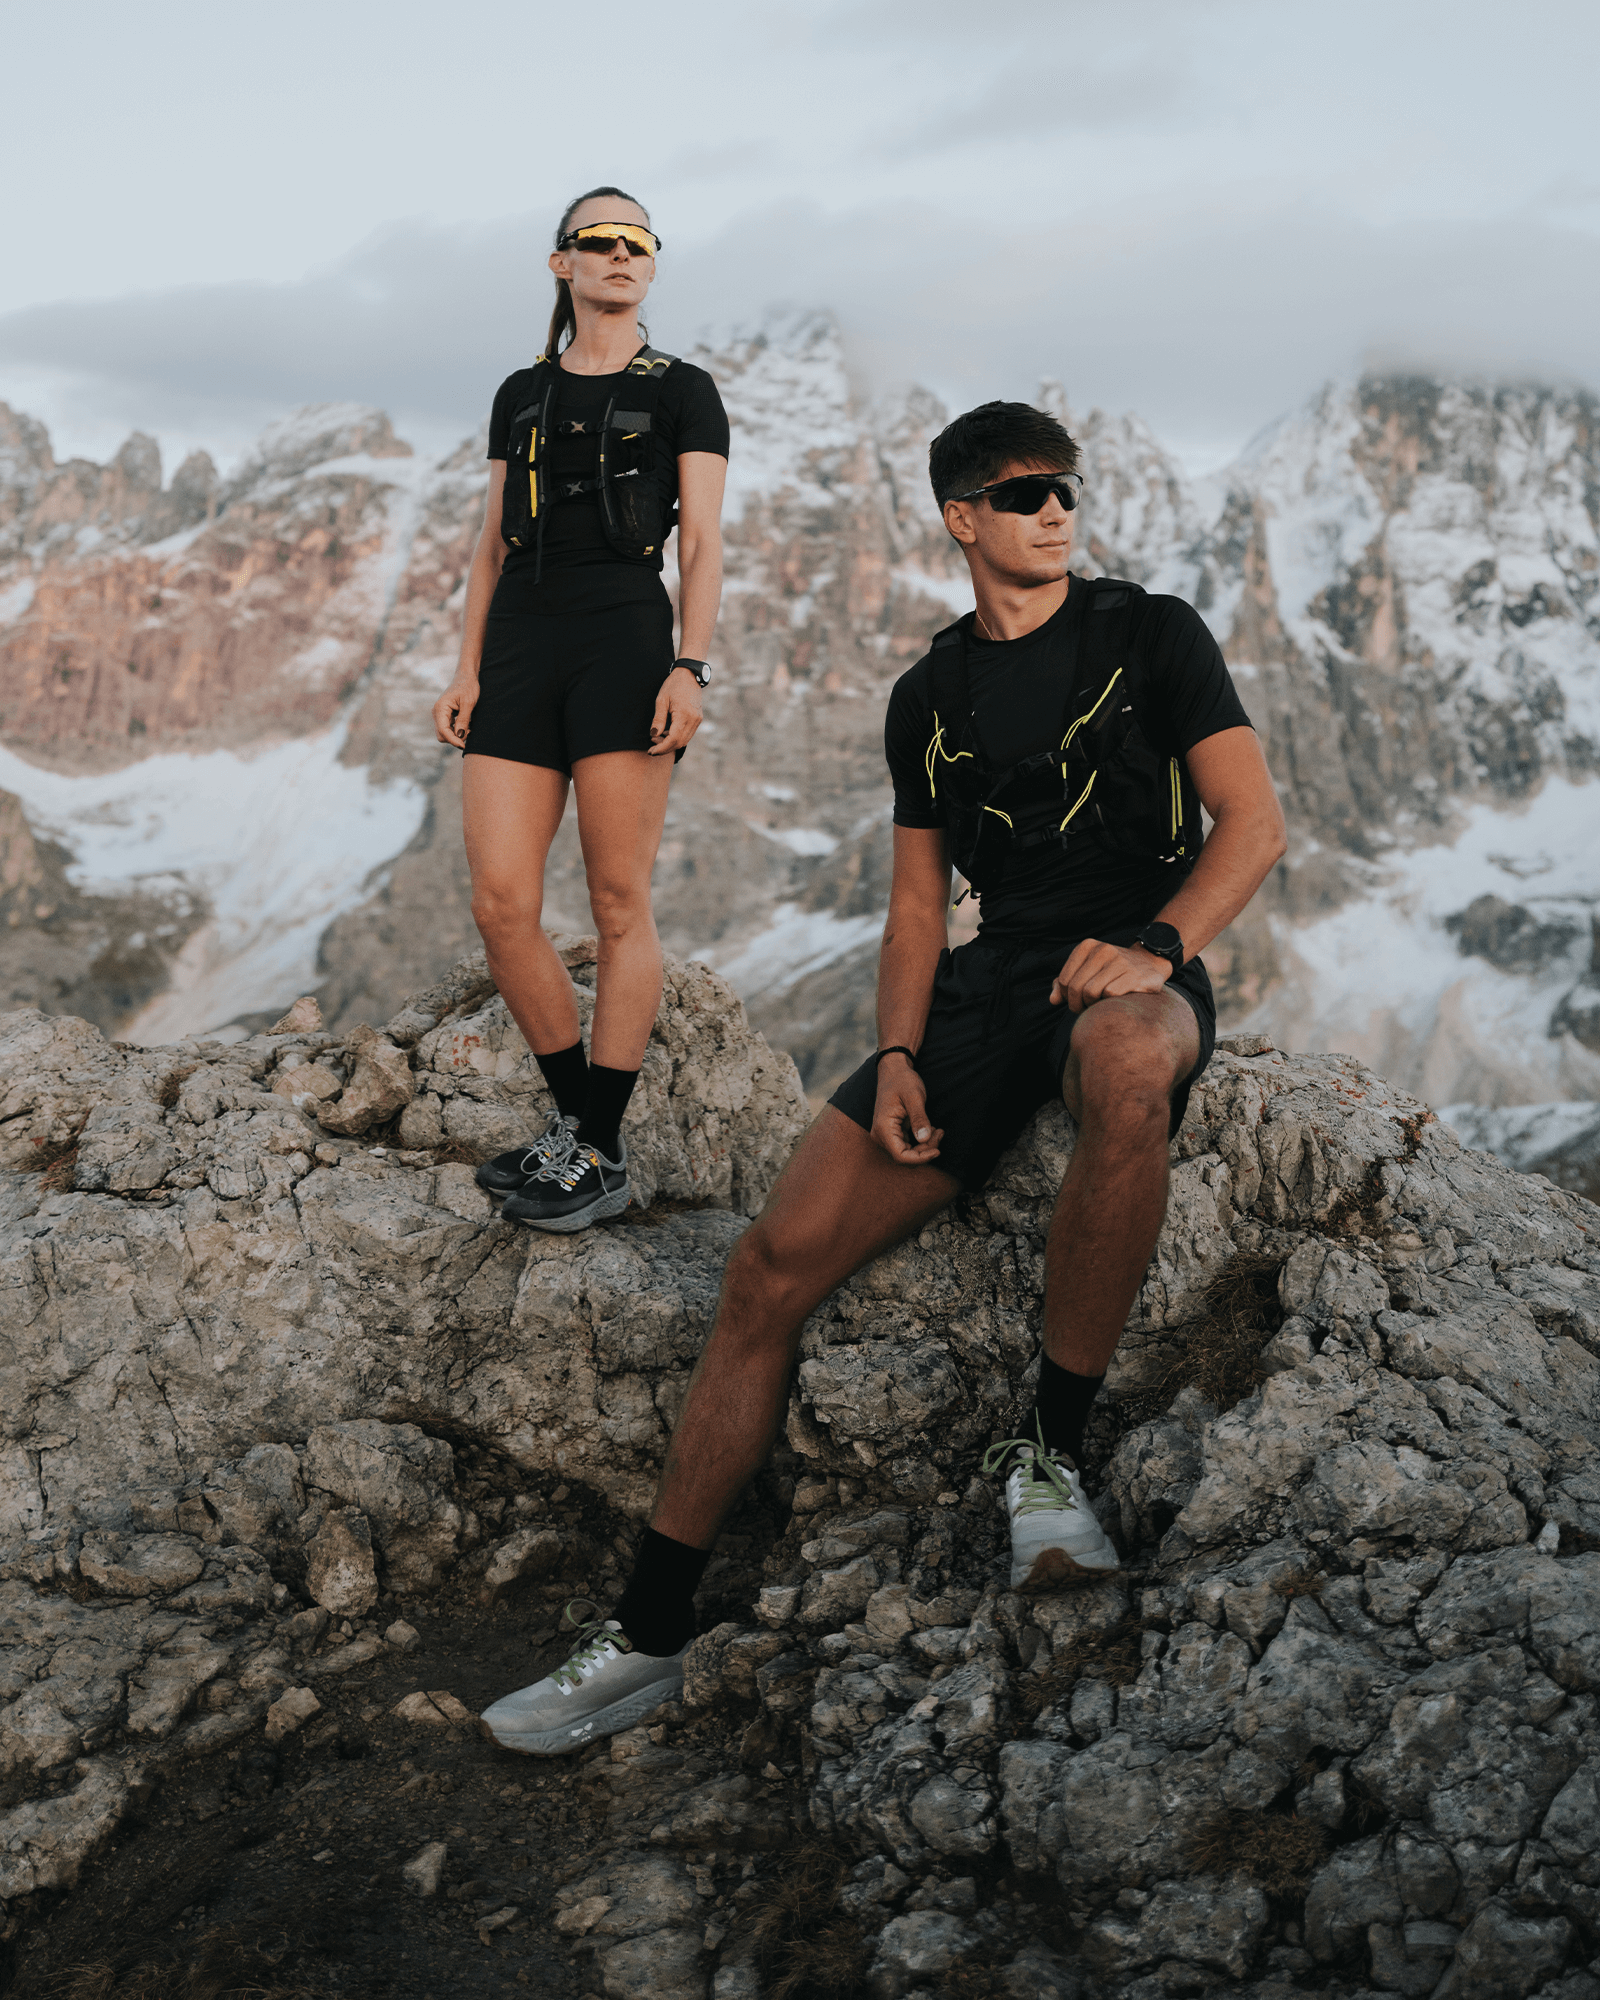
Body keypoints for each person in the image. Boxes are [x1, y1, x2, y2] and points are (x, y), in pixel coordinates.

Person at [479, 398, 1287, 1754]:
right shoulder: (929, 700)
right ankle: (650, 1636)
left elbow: (1251, 822)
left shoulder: (1151, 633)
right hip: (981, 993)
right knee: (763, 1275)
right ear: (961, 517)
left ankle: (1049, 1455)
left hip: (1131, 961)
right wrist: (903, 1052)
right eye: (1025, 493)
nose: (1055, 511)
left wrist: (1156, 947)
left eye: (1066, 490)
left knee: (1131, 1062)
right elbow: (917, 909)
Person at [431, 186, 728, 1233]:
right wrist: (465, 669)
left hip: (623, 639)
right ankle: (584, 1135)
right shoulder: (520, 390)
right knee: (502, 906)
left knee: (615, 902)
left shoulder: (686, 388)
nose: (618, 254)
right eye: (596, 241)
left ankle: (594, 1142)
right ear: (561, 265)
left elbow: (701, 542)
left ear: (651, 265)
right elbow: (487, 544)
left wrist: (689, 664)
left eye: (636, 242)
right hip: (518, 643)